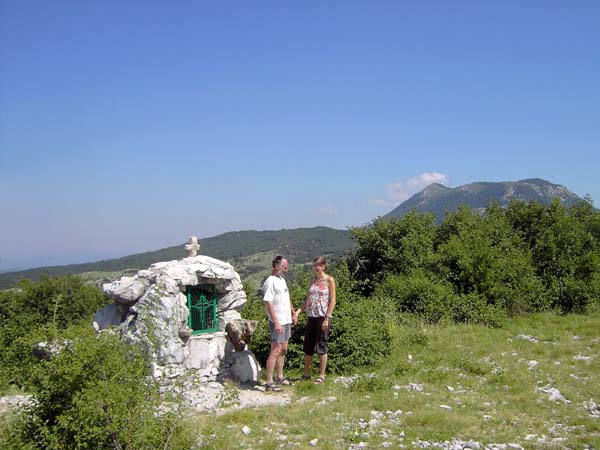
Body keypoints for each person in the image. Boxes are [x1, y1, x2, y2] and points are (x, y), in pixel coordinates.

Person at [295, 256, 336, 384]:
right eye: (314, 265)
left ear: (324, 266)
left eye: (318, 265)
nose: (316, 268)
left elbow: (333, 300)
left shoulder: (329, 280)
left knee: (322, 345)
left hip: (322, 317)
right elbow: (307, 299)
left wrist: (327, 318)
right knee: (308, 346)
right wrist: (298, 311)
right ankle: (306, 374)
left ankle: (321, 375)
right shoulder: (312, 280)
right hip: (311, 316)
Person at [262, 255, 296, 391]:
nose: (286, 270)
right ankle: (269, 382)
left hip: (286, 320)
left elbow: (287, 299)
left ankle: (280, 377)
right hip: (278, 322)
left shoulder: (281, 280)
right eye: (285, 267)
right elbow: (268, 302)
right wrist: (276, 321)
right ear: (277, 267)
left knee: (283, 350)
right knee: (275, 350)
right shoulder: (270, 282)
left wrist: (293, 313)